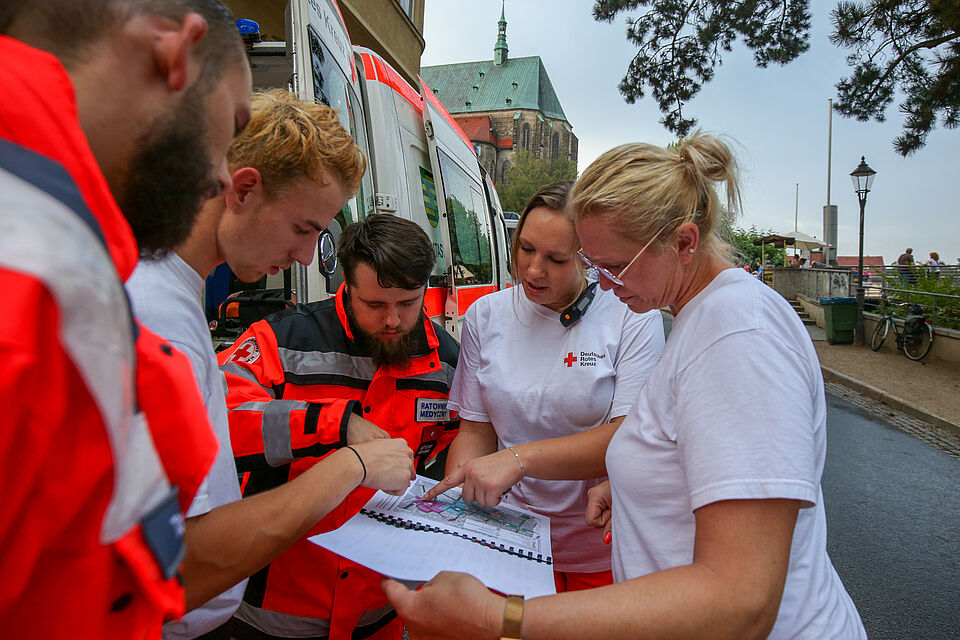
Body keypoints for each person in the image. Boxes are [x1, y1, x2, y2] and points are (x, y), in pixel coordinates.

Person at [384, 133, 866, 639]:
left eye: (614, 267)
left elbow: (740, 601)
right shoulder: (702, 318)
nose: (604, 287)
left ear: (683, 242)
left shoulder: (738, 333)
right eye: (594, 266)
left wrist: (496, 619)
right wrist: (637, 483)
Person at [0, 1, 252, 637]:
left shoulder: (60, 259)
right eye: (235, 122)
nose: (222, 177)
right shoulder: (39, 287)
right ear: (176, 48)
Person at [125, 89, 416, 639]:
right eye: (303, 229)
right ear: (243, 188)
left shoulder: (166, 295)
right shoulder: (159, 318)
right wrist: (350, 464)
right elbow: (177, 563)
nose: (307, 258)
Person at [219, 214, 461, 640]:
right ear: (345, 284)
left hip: (380, 610)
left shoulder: (447, 360)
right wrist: (339, 425)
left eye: (408, 303)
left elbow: (456, 454)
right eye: (375, 305)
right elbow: (219, 422)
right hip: (273, 611)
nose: (392, 321)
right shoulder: (282, 339)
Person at [429, 181, 664, 593]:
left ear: (588, 259)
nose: (534, 271)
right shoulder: (486, 316)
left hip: (599, 548)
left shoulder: (631, 315)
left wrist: (517, 460)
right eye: (526, 250)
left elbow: (629, 438)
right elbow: (476, 431)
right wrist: (460, 518)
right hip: (507, 540)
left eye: (556, 259)